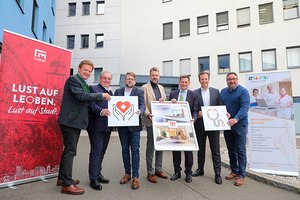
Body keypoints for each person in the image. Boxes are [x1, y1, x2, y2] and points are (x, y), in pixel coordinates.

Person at [57, 60, 111, 195]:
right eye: (85, 70)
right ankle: (67, 185)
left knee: (68, 150)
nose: (87, 72)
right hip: (70, 121)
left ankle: (62, 179)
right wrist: (101, 95)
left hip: (74, 121)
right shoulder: (73, 80)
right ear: (79, 69)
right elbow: (81, 96)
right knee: (70, 151)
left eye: (89, 71)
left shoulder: (82, 82)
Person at [114, 72, 145, 190]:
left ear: (135, 81)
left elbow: (143, 105)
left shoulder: (139, 92)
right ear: (125, 81)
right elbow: (115, 106)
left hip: (135, 126)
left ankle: (135, 177)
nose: (130, 81)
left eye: (132, 79)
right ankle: (127, 173)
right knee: (124, 149)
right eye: (128, 79)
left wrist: (140, 111)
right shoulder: (118, 92)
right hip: (122, 127)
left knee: (135, 150)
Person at [192, 72, 223, 184]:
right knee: (200, 149)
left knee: (215, 150)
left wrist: (224, 115)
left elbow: (220, 106)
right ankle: (200, 170)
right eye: (202, 79)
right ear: (199, 80)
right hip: (200, 124)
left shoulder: (216, 92)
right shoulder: (195, 93)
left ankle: (218, 174)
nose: (204, 81)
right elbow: (193, 108)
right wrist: (197, 113)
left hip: (213, 125)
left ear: (209, 79)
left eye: (206, 79)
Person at [220, 72, 250, 186]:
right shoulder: (223, 92)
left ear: (237, 79)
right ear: (226, 81)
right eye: (229, 79)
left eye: (233, 79)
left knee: (240, 150)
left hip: (239, 125)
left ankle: (241, 175)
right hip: (227, 125)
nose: (231, 81)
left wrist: (236, 119)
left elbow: (244, 107)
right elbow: (220, 106)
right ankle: (234, 171)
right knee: (231, 149)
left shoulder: (243, 91)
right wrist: (224, 113)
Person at [86, 71, 113, 190]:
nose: (107, 80)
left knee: (102, 151)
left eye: (109, 78)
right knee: (96, 152)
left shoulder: (110, 92)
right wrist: (101, 111)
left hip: (107, 127)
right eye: (104, 78)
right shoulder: (93, 89)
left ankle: (98, 173)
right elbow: (91, 105)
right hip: (96, 126)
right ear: (100, 78)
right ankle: (93, 178)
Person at [141, 67, 168, 183]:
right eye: (153, 75)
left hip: (161, 121)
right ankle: (150, 172)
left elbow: (164, 102)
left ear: (159, 76)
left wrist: (164, 101)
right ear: (149, 76)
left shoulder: (161, 88)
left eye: (156, 75)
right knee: (151, 146)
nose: (155, 77)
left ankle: (158, 169)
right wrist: (148, 114)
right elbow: (143, 104)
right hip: (151, 120)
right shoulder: (144, 88)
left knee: (160, 145)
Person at [169, 75, 198, 183]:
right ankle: (177, 172)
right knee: (176, 150)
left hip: (188, 126)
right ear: (179, 82)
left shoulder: (194, 95)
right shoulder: (173, 94)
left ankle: (188, 173)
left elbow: (195, 110)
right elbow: (168, 108)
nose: (184, 84)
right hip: (175, 126)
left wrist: (194, 119)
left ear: (189, 83)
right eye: (182, 82)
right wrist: (170, 102)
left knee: (188, 151)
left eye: (186, 82)